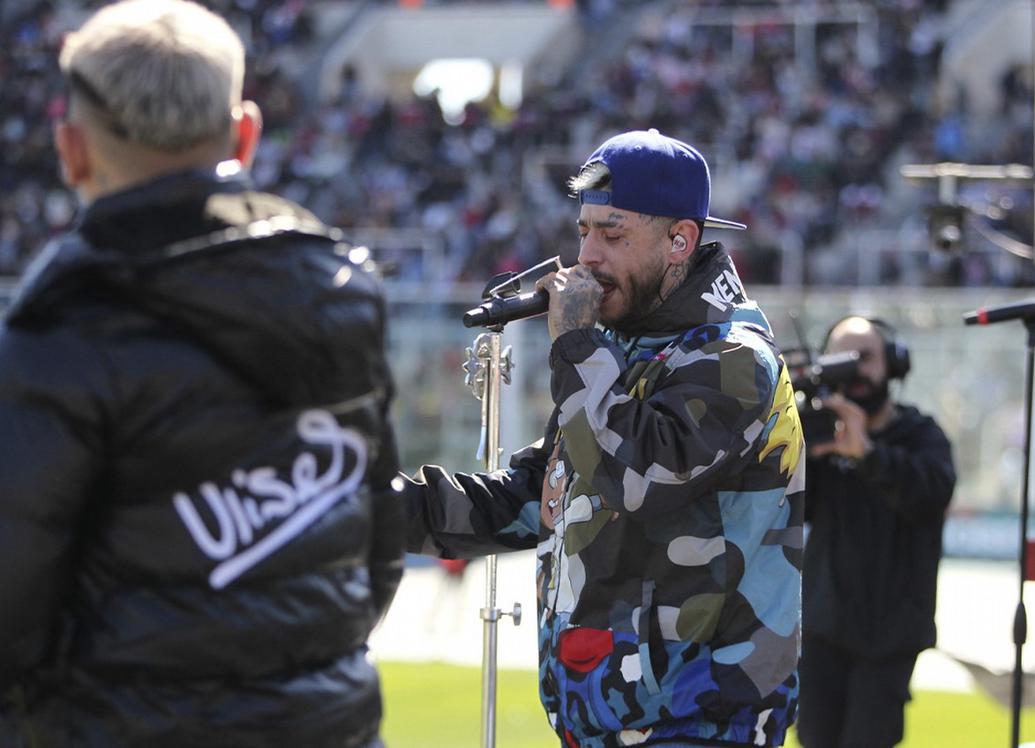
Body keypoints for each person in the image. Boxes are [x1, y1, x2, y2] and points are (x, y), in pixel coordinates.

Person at [0, 2, 403, 746]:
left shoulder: (59, 333)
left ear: (71, 150)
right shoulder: (345, 293)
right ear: (244, 133)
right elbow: (377, 557)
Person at [398, 129, 805, 748]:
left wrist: (575, 344)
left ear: (679, 241)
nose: (587, 256)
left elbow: (633, 475)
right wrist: (369, 507)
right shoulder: (617, 351)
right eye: (584, 231)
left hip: (700, 720)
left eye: (612, 235)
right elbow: (538, 498)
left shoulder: (732, 358)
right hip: (609, 721)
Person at [795, 316, 956, 748]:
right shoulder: (816, 437)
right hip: (821, 627)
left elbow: (927, 496)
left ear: (894, 364)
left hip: (889, 635)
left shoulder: (922, 436)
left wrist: (867, 453)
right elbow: (790, 510)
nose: (856, 372)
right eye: (841, 360)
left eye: (865, 358)